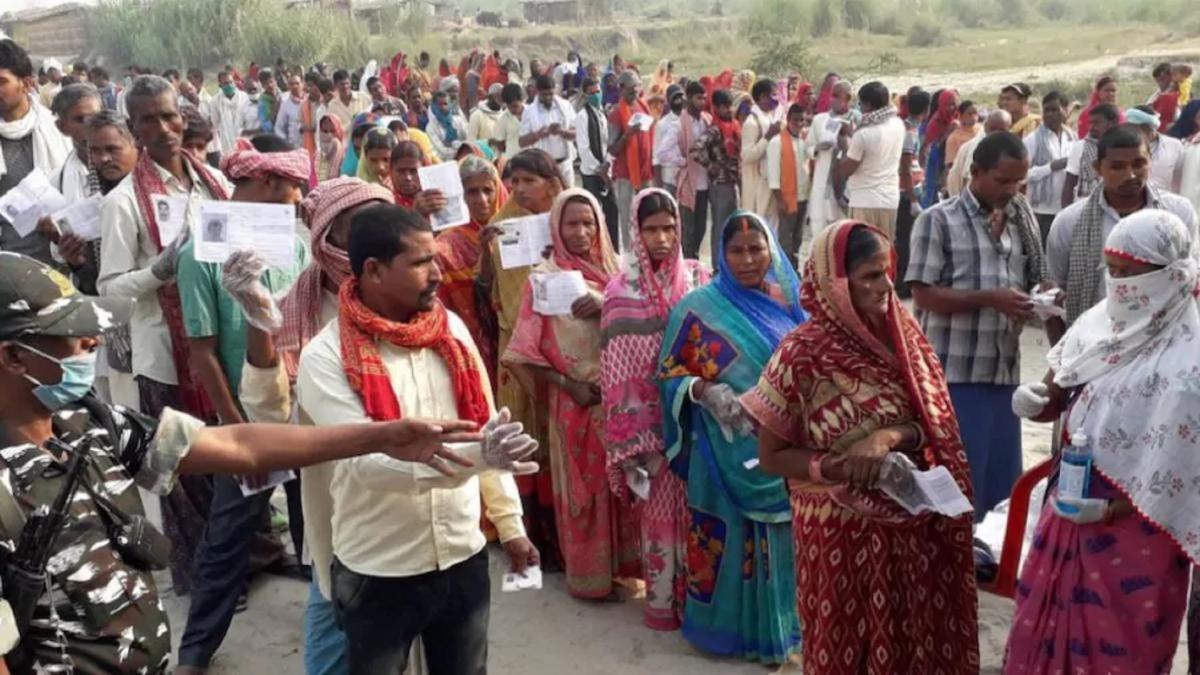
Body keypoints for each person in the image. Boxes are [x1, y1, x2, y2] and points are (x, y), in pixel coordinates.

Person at [0, 250, 487, 673]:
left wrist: (377, 436)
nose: (93, 344)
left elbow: (239, 448)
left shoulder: (90, 423)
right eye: (74, 335)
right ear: (14, 357)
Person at [294, 203, 538, 674]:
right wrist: (480, 457)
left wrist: (511, 526)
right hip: (379, 568)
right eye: (421, 262)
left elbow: (487, 427)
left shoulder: (451, 332)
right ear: (374, 270)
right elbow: (370, 464)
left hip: (462, 555)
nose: (438, 273)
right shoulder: (324, 358)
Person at [746, 220, 980, 675]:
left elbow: (935, 424)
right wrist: (840, 466)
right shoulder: (801, 354)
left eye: (887, 272)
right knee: (844, 641)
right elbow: (773, 456)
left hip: (908, 517)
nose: (887, 286)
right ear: (835, 284)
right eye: (871, 276)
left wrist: (890, 437)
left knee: (911, 633)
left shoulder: (905, 340)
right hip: (834, 527)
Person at [1005, 209, 1199, 674]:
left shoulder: (1190, 359)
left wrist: (1114, 511)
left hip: (1142, 524)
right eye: (1112, 273)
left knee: (1120, 637)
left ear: (1169, 276)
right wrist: (1040, 399)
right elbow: (1062, 384)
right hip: (1070, 502)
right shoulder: (1099, 321)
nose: (1120, 286)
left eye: (1131, 275)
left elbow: (1188, 470)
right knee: (1043, 620)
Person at [98, 75, 235, 593]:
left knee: (233, 451)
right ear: (133, 129)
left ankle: (245, 557)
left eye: (169, 115)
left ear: (184, 116)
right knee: (185, 467)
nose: (163, 128)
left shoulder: (213, 182)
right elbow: (109, 290)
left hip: (221, 344)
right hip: (167, 356)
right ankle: (205, 580)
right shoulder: (124, 202)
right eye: (148, 119)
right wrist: (159, 269)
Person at [657, 211, 802, 663]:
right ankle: (722, 631)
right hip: (720, 448)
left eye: (756, 249)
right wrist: (702, 390)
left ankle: (780, 630)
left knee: (782, 540)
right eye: (736, 251)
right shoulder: (697, 308)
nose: (746, 260)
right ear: (721, 254)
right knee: (725, 538)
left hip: (782, 447)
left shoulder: (789, 305)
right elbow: (667, 374)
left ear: (772, 251)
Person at [503, 189, 640, 599]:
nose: (580, 232)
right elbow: (524, 351)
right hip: (575, 403)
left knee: (627, 486)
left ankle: (628, 568)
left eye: (588, 223)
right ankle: (591, 577)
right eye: (571, 224)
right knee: (587, 488)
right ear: (555, 228)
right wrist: (570, 385)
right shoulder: (543, 280)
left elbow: (648, 331)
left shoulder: (620, 277)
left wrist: (608, 306)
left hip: (623, 401)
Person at [907, 132, 1049, 518]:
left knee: (1000, 488)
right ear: (975, 173)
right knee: (958, 485)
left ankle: (986, 567)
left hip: (1003, 372)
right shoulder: (938, 220)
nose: (1011, 190)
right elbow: (924, 295)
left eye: (1018, 182)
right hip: (954, 375)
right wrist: (991, 298)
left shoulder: (1021, 219)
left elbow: (1030, 278)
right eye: (1002, 181)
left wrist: (1038, 299)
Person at [600, 188, 708, 629]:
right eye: (651, 229)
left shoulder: (700, 280)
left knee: (702, 515)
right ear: (636, 233)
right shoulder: (620, 292)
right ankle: (664, 604)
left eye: (668, 228)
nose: (661, 238)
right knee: (662, 516)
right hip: (652, 434)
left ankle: (701, 608)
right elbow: (617, 372)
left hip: (701, 423)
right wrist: (642, 443)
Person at [483, 148, 565, 565]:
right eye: (512, 182)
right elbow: (503, 293)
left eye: (527, 181)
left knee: (563, 438)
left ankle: (568, 541)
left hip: (569, 345)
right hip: (520, 347)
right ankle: (527, 535)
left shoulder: (571, 215)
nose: (517, 190)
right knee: (525, 432)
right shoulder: (504, 225)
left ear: (551, 183)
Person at [1047, 125, 1197, 327]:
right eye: (1117, 167)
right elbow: (1056, 293)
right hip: (1094, 339)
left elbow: (1187, 278)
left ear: (1150, 161)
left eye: (1139, 164)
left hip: (1164, 336)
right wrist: (1063, 353)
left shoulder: (1177, 212)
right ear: (1098, 169)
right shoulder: (1069, 222)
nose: (1130, 175)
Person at [433, 154, 506, 381]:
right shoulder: (445, 246)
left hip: (509, 331)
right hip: (472, 336)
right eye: (472, 192)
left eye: (487, 190)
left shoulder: (512, 228)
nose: (482, 199)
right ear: (460, 195)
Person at [0, 40, 71, 265]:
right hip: (7, 261)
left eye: (2, 82)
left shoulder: (58, 129)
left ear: (27, 83)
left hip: (60, 257)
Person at [838, 81, 905, 238]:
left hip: (865, 201)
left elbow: (847, 169)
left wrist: (843, 147)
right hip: (889, 200)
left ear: (868, 104)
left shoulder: (864, 134)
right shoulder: (898, 124)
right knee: (884, 250)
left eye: (861, 104)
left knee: (863, 253)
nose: (860, 108)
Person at [693, 90, 741, 263]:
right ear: (716, 108)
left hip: (732, 181)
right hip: (720, 183)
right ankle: (718, 265)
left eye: (730, 106)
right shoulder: (714, 130)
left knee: (731, 226)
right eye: (724, 107)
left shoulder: (734, 126)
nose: (729, 110)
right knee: (720, 226)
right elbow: (696, 150)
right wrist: (711, 166)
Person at [609, 71, 655, 248]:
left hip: (645, 172)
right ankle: (629, 256)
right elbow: (612, 149)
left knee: (647, 212)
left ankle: (646, 249)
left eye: (636, 91)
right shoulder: (615, 114)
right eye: (630, 92)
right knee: (627, 216)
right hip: (625, 174)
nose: (634, 95)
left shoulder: (643, 106)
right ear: (621, 90)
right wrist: (627, 136)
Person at [1025, 91, 1078, 240]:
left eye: (1054, 110)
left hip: (1067, 207)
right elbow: (1022, 175)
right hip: (1042, 211)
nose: (1049, 115)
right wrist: (1050, 167)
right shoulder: (1033, 140)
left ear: (1065, 111)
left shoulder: (1072, 137)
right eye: (1046, 110)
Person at [574, 77, 619, 246]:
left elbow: (607, 142)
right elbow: (584, 148)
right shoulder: (582, 117)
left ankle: (613, 250)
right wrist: (599, 169)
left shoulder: (601, 114)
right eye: (592, 93)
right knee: (593, 214)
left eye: (598, 92)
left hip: (605, 169)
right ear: (585, 95)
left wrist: (607, 164)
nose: (596, 95)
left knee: (612, 212)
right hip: (591, 172)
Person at [767, 103, 810, 269]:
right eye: (796, 120)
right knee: (785, 238)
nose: (799, 124)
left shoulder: (804, 142)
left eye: (802, 120)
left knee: (798, 237)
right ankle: (784, 272)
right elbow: (773, 176)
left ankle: (794, 267)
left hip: (803, 196)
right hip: (787, 197)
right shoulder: (777, 142)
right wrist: (780, 200)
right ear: (788, 119)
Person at [806, 81, 852, 237]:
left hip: (844, 183)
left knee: (841, 230)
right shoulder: (820, 119)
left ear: (848, 98)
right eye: (832, 95)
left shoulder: (856, 120)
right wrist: (818, 148)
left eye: (837, 96)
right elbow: (808, 147)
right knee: (819, 227)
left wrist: (846, 141)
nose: (833, 99)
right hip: (822, 179)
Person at [520, 74, 576, 187]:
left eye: (550, 94)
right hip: (542, 167)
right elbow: (522, 142)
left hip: (564, 164)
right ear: (537, 92)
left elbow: (576, 134)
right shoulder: (529, 111)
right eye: (544, 94)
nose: (548, 97)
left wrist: (562, 131)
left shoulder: (565, 106)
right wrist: (539, 134)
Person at [740, 79, 781, 228]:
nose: (777, 99)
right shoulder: (752, 123)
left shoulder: (771, 117)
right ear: (762, 97)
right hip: (756, 185)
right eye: (773, 95)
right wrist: (768, 137)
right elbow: (747, 156)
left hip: (771, 182)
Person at [677, 81, 711, 260]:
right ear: (689, 98)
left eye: (704, 98)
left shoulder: (707, 119)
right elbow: (666, 152)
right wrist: (683, 160)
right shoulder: (680, 122)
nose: (702, 102)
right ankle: (687, 269)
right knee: (687, 231)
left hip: (704, 183)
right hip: (688, 183)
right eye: (698, 98)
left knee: (701, 229)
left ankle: (695, 264)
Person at [1062, 103, 1120, 206]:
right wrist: (1064, 212)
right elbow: (1069, 184)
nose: (1091, 127)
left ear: (1113, 123)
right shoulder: (1080, 147)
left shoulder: (1123, 148)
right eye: (1090, 123)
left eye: (1097, 123)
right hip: (1084, 205)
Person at [946, 108, 1011, 197]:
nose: (995, 135)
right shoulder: (972, 147)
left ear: (1008, 129)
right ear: (986, 127)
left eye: (1001, 130)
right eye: (992, 130)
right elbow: (956, 178)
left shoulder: (1012, 149)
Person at [1127, 105, 1183, 194]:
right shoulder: (1122, 147)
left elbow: (1180, 180)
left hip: (1165, 202)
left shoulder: (1174, 146)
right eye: (1132, 127)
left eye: (1141, 127)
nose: (1135, 132)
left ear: (1152, 128)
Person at [920, 88, 960, 207]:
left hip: (951, 155)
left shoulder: (956, 117)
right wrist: (947, 133)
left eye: (953, 104)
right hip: (935, 156)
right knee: (931, 188)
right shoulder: (936, 122)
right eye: (947, 104)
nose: (951, 108)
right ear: (941, 104)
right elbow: (930, 144)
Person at [653, 84, 686, 197]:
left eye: (680, 97)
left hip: (687, 178)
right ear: (668, 100)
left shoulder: (688, 120)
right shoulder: (662, 124)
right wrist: (658, 185)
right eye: (674, 97)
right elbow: (656, 157)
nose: (678, 100)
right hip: (669, 178)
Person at [209, 70, 251, 157]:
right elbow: (215, 123)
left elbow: (249, 119)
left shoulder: (244, 97)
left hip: (244, 139)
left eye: (231, 82)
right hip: (226, 141)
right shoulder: (215, 101)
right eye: (226, 83)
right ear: (220, 85)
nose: (230, 85)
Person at [427, 79, 469, 161]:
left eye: (445, 104)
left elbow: (468, 138)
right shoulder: (431, 127)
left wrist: (460, 147)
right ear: (434, 106)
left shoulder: (458, 120)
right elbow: (442, 152)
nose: (443, 107)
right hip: (445, 163)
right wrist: (460, 150)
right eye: (440, 104)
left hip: (464, 158)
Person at [492, 82, 526, 159]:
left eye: (515, 106)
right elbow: (499, 144)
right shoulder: (502, 119)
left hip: (533, 159)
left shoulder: (531, 113)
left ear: (521, 100)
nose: (512, 109)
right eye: (509, 106)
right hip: (513, 160)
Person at [274, 73, 308, 150]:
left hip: (311, 147)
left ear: (302, 84)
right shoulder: (285, 104)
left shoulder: (310, 101)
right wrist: (286, 144)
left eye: (297, 83)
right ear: (288, 86)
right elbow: (279, 128)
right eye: (292, 84)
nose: (295, 86)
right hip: (294, 148)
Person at [944, 100, 980, 170]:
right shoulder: (954, 138)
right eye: (969, 114)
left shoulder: (982, 130)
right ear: (961, 116)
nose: (973, 117)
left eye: (975, 113)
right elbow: (950, 165)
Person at [468, 83, 504, 148]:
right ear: (490, 97)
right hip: (482, 156)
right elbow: (470, 142)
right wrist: (489, 142)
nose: (501, 101)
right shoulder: (477, 115)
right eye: (498, 97)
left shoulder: (504, 116)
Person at [1149, 61, 1181, 134]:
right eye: (1158, 81)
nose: (1160, 84)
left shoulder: (1185, 94)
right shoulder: (1155, 98)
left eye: (1163, 79)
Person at [317, 113, 346, 183]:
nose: (329, 135)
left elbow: (333, 174)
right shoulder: (318, 149)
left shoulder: (337, 144)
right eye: (325, 131)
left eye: (333, 131)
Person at [257, 69, 280, 135]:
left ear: (275, 81)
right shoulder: (262, 103)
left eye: (271, 82)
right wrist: (275, 110)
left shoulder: (282, 96)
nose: (270, 85)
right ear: (262, 85)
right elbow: (266, 126)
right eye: (266, 84)